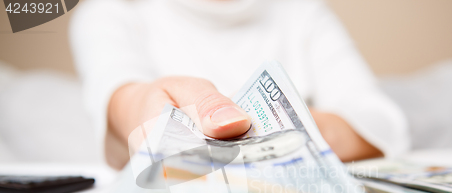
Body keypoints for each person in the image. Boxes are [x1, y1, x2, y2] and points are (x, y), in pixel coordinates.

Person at [70, 0, 410, 169]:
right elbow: (118, 98)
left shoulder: (303, 12)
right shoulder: (111, 10)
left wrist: (269, 129)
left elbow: (384, 124)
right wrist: (141, 108)